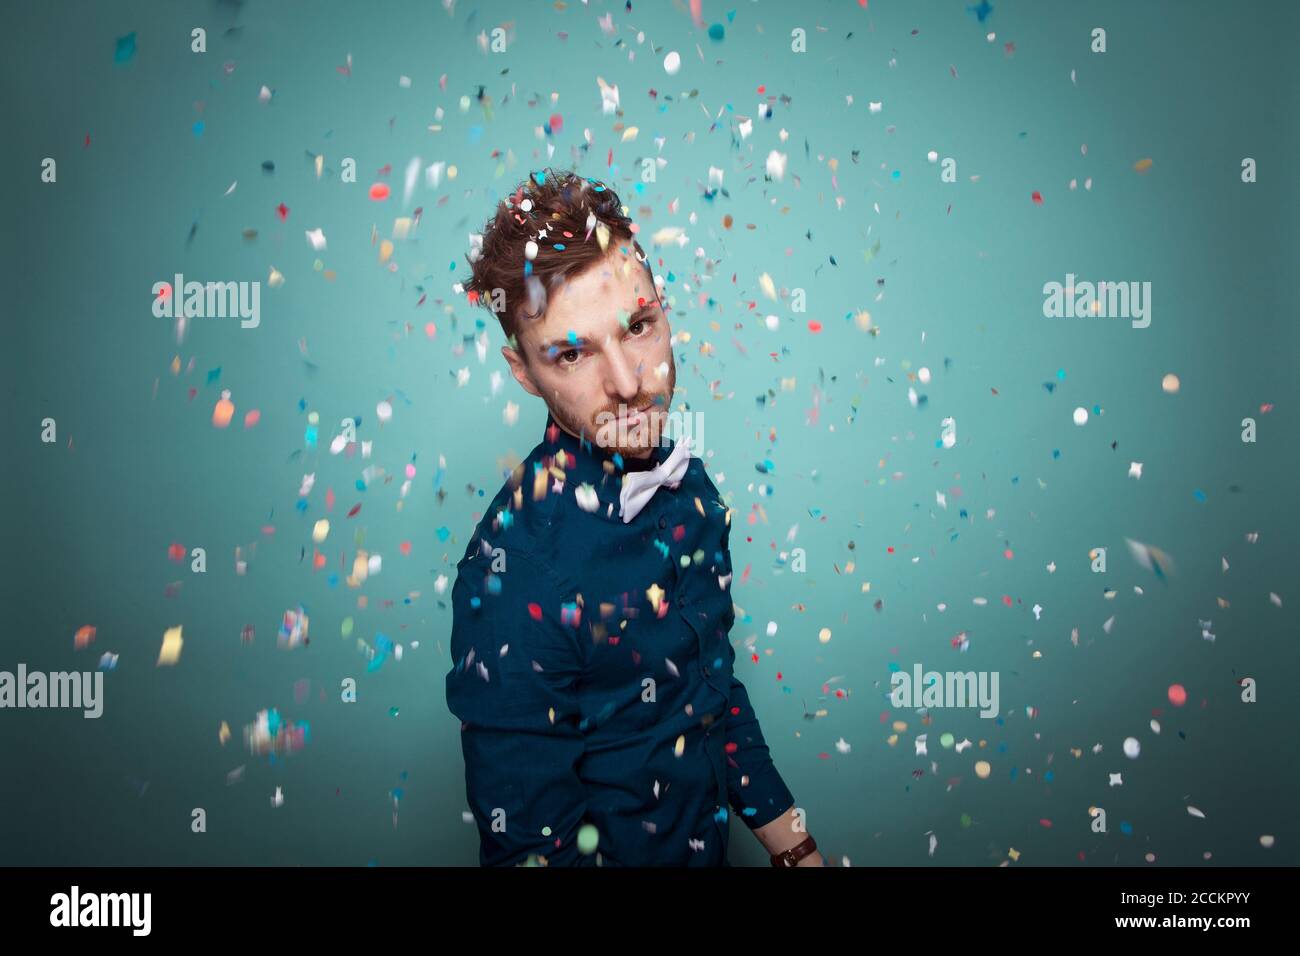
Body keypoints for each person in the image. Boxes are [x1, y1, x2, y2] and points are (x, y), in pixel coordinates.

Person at [445, 168, 823, 867]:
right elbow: (531, 851)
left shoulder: (692, 492)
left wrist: (794, 847)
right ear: (524, 372)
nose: (628, 382)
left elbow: (712, 696)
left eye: (639, 326)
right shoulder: (513, 573)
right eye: (572, 352)